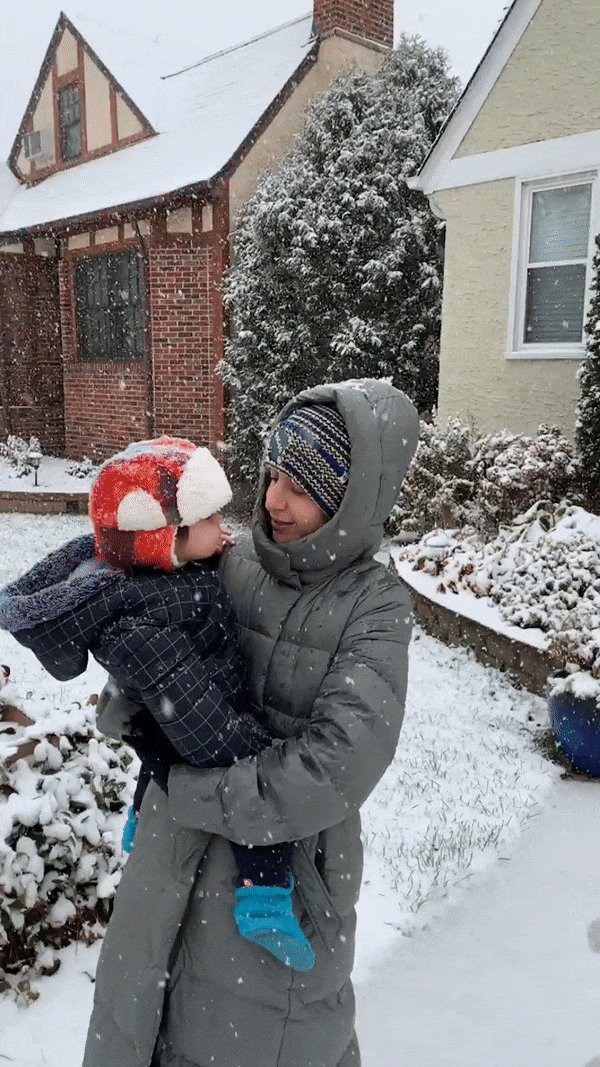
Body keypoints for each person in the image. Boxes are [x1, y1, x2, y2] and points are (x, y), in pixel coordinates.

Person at [82, 378, 419, 1067]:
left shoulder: (376, 608)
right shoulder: (230, 563)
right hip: (169, 856)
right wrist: (132, 689)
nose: (272, 500)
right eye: (271, 475)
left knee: (261, 1041)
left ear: (352, 496)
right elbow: (159, 657)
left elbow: (336, 765)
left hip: (277, 885)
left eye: (299, 484)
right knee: (136, 1023)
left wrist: (194, 795)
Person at [0, 436, 315, 971]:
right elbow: (196, 724)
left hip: (181, 717)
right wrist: (256, 748)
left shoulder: (161, 578)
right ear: (165, 538)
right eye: (212, 518)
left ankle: (139, 817)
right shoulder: (139, 624)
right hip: (205, 721)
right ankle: (263, 900)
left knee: (159, 751)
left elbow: (175, 696)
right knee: (250, 790)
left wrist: (211, 549)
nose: (224, 525)